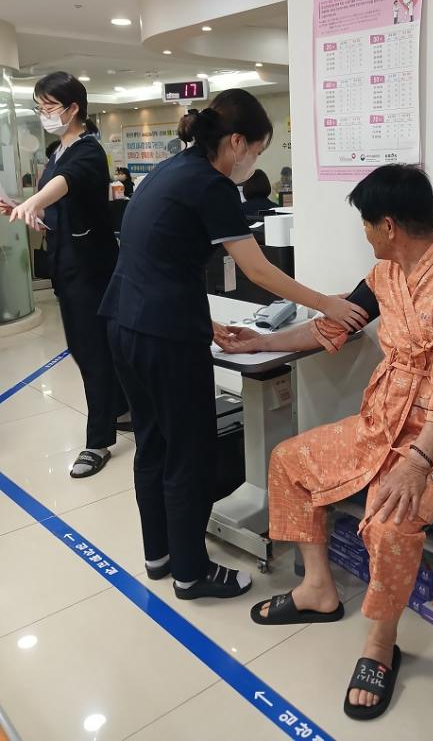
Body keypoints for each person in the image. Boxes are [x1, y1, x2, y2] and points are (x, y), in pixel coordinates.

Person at [219, 164, 433, 720]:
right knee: (289, 459)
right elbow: (333, 326)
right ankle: (318, 590)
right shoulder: (385, 274)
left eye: (366, 224)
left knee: (390, 518)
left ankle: (381, 642)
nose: (364, 233)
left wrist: (417, 461)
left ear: (387, 225)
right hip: (381, 422)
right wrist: (260, 343)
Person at [99, 89, 368, 602]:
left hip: (124, 323)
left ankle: (160, 555)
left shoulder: (168, 171)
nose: (254, 163)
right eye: (258, 151)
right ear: (237, 142)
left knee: (152, 443)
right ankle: (191, 572)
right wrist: (327, 304)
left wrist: (203, 320)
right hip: (165, 336)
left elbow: (159, 257)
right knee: (189, 451)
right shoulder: (212, 184)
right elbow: (258, 270)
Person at [4, 72, 130, 478]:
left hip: (91, 270)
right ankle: (123, 410)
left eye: (49, 107)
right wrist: (26, 209)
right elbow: (57, 203)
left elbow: (65, 183)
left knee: (92, 352)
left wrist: (35, 202)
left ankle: (98, 441)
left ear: (73, 108)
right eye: (39, 107)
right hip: (67, 265)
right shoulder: (58, 151)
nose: (43, 114)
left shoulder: (87, 151)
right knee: (93, 349)